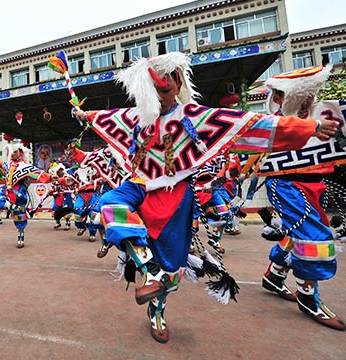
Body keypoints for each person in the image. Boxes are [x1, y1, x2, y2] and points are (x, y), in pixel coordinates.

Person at [73, 52, 339, 343]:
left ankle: (157, 308)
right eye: (153, 91)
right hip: (138, 186)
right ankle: (150, 270)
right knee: (108, 205)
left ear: (178, 84)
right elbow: (103, 117)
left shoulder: (196, 117)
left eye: (165, 90)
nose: (160, 97)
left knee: (172, 270)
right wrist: (83, 115)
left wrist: (310, 127)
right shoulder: (135, 117)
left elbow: (252, 125)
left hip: (176, 197)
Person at [259, 65, 346, 330]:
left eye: (311, 93)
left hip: (314, 185)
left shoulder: (328, 115)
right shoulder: (274, 123)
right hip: (286, 186)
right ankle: (308, 296)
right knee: (314, 237)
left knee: (297, 233)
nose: (308, 99)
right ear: (279, 98)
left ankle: (274, 276)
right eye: (302, 94)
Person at [0, 143, 50, 248]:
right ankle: (12, 207)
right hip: (7, 190)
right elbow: (1, 163)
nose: (12, 154)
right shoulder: (8, 164)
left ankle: (21, 235)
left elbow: (39, 174)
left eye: (15, 152)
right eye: (11, 152)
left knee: (19, 218)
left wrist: (51, 177)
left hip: (19, 192)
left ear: (20, 152)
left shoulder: (25, 165)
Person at [48, 163, 75, 230]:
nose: (59, 172)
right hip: (58, 196)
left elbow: (72, 186)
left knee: (66, 211)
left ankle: (67, 223)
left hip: (66, 196)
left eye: (60, 170)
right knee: (55, 210)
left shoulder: (68, 177)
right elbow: (53, 188)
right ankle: (58, 222)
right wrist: (51, 192)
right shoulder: (55, 179)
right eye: (57, 171)